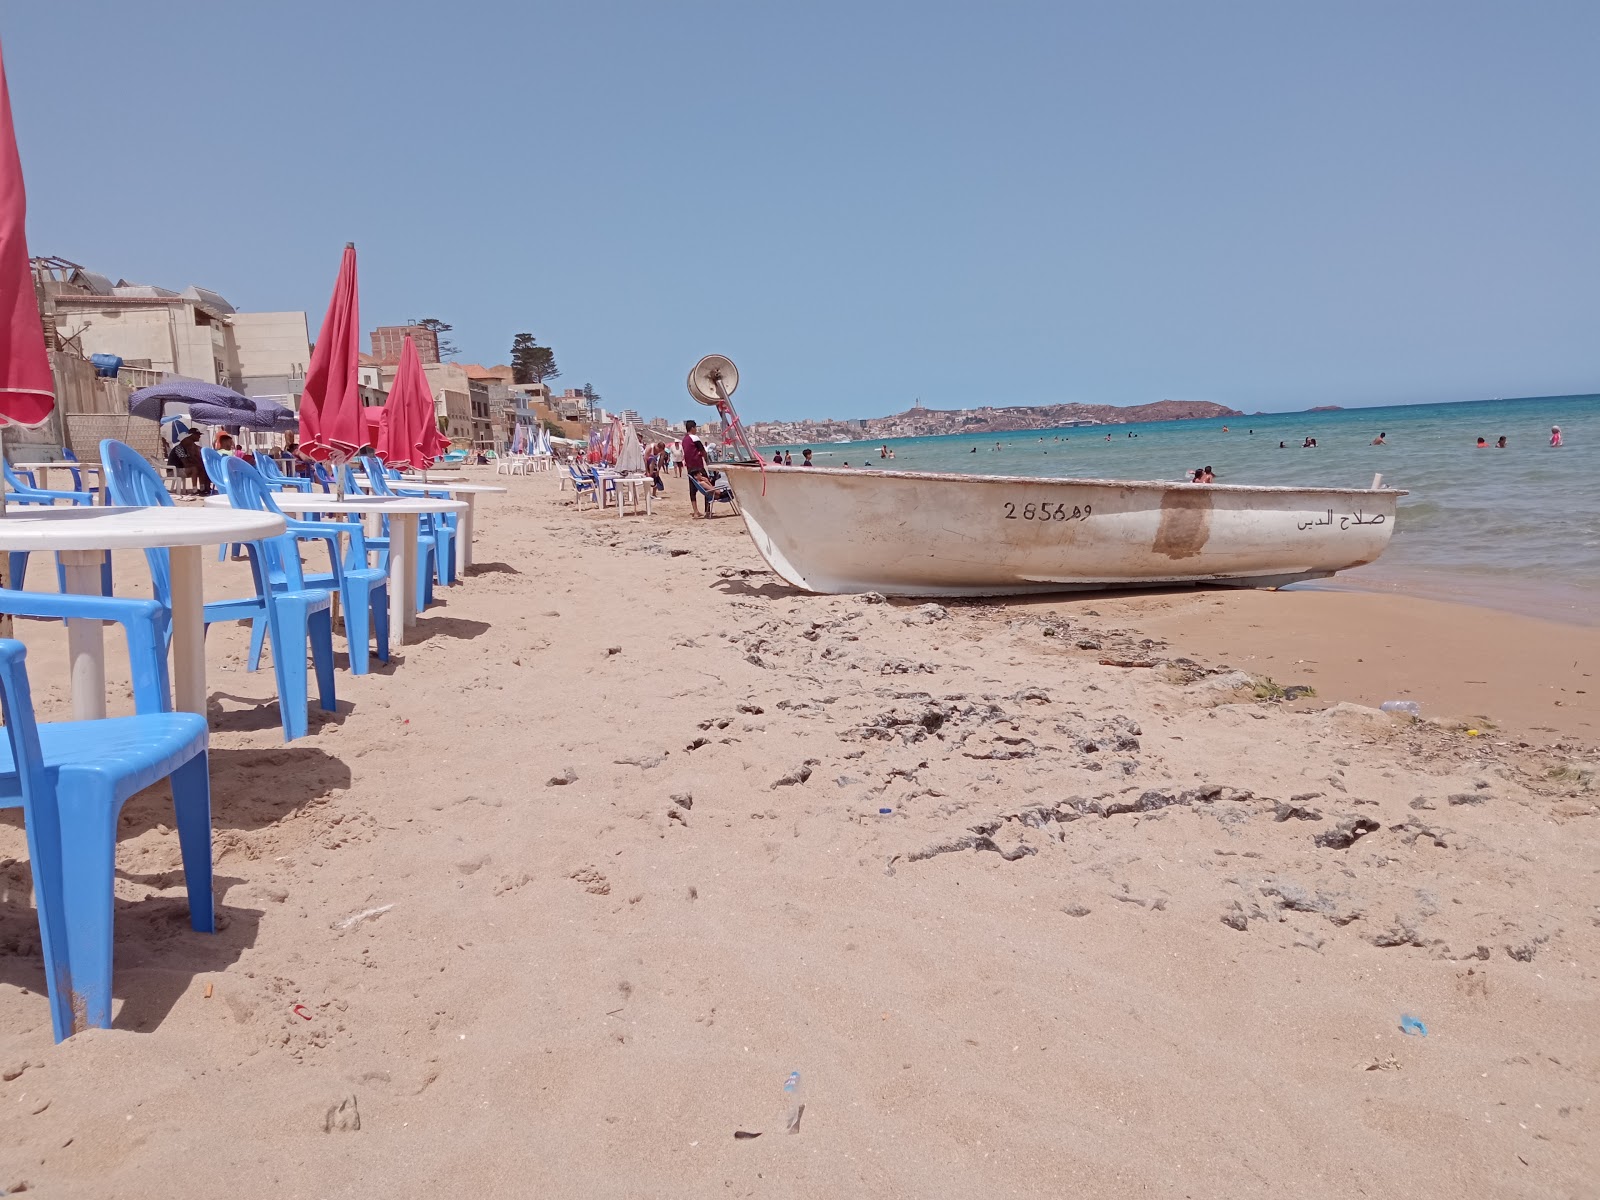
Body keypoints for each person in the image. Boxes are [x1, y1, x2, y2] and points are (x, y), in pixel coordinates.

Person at [681, 419, 713, 516]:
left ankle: (695, 511)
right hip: (698, 467)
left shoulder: (684, 440)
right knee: (708, 486)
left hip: (690, 467)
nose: (696, 430)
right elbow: (703, 451)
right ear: (692, 428)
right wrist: (708, 463)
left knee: (692, 489)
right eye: (695, 428)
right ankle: (707, 510)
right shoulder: (694, 438)